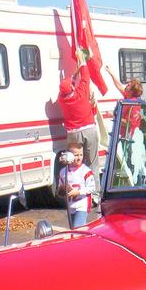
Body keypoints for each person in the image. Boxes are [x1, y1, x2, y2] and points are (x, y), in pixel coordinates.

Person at [58, 63, 100, 201]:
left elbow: (67, 86)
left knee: (73, 162)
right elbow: (86, 76)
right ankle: (94, 195)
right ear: (72, 87)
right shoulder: (82, 92)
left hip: (73, 133)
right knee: (92, 162)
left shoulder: (62, 99)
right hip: (89, 129)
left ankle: (72, 192)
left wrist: (71, 77)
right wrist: (81, 63)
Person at [104, 65, 146, 183]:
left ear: (132, 91)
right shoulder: (127, 97)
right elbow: (118, 85)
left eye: (128, 85)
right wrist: (110, 72)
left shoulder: (134, 104)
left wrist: (115, 116)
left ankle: (136, 184)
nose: (126, 86)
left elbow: (130, 123)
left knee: (131, 163)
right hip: (124, 136)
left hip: (130, 138)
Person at [56, 143, 96, 228]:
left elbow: (92, 188)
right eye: (76, 155)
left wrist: (78, 192)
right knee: (76, 229)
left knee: (77, 227)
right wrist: (62, 191)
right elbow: (60, 188)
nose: (79, 158)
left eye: (81, 155)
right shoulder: (63, 172)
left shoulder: (85, 171)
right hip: (71, 205)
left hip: (82, 205)